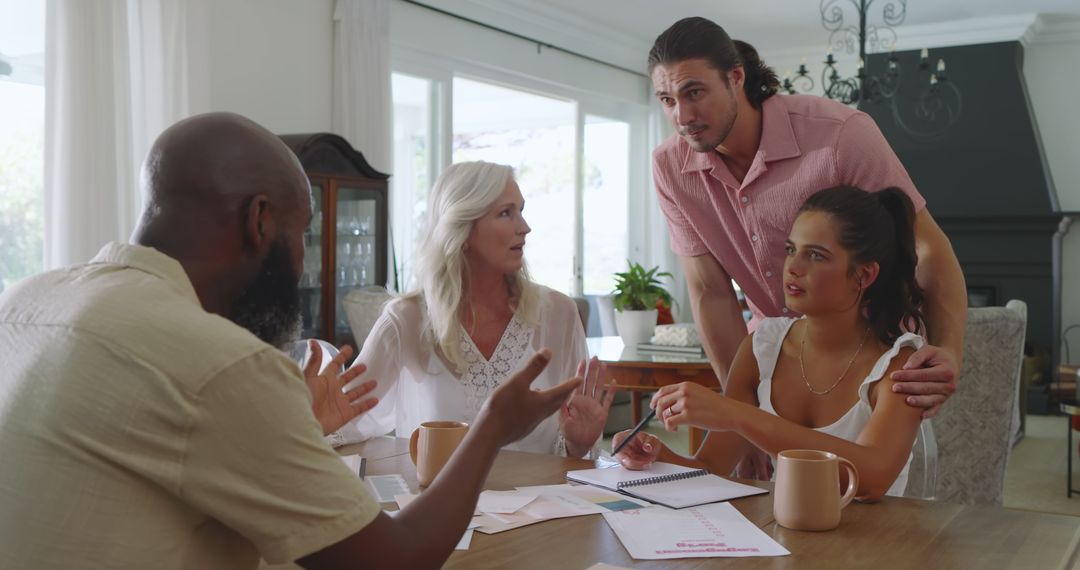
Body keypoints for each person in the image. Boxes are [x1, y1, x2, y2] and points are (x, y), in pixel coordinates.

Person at [0, 112, 584, 569]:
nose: (305, 260)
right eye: (303, 230)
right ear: (260, 222)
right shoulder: (226, 365)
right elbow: (394, 560)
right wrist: (492, 428)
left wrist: (300, 425)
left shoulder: (20, 302)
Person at [647, 17, 966, 427]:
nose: (683, 115)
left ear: (736, 78)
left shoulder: (840, 135)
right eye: (667, 100)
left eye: (695, 92)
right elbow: (710, 291)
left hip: (872, 351)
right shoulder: (670, 166)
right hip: (776, 358)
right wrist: (739, 411)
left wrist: (950, 351)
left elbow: (928, 248)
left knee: (867, 485)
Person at [616, 186, 927, 500]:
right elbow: (709, 468)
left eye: (816, 255)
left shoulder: (899, 364)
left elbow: (871, 478)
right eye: (791, 249)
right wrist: (655, 456)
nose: (793, 267)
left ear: (864, 275)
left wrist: (735, 415)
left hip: (880, 544)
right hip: (785, 538)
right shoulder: (762, 348)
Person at [334, 161, 615, 459]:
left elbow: (573, 455)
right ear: (462, 229)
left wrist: (579, 443)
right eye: (506, 213)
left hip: (544, 503)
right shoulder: (406, 319)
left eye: (521, 210)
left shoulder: (558, 314)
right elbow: (343, 424)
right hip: (440, 504)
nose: (524, 227)